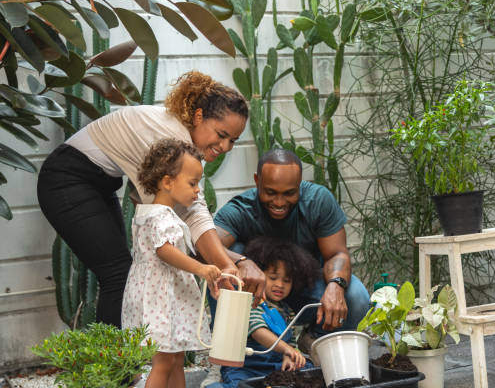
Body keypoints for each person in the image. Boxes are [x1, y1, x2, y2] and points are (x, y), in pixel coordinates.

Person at [37, 71, 262, 328]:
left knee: (123, 273)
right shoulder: (168, 136)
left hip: (98, 183)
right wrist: (230, 263)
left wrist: (226, 263)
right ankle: (113, 364)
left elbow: (183, 217)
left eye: (232, 141)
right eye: (221, 135)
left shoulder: (182, 141)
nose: (225, 147)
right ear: (199, 116)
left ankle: (122, 362)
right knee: (118, 275)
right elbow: (189, 214)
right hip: (66, 179)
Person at [213, 149, 371, 352]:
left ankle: (315, 341)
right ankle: (226, 350)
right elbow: (204, 245)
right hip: (258, 297)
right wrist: (242, 261)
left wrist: (336, 285)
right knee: (224, 262)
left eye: (289, 193)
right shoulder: (241, 208)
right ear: (257, 181)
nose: (279, 202)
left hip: (307, 290)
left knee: (357, 297)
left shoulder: (318, 200)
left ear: (299, 184)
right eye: (270, 192)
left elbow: (337, 254)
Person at [122, 139, 222, 388]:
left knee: (176, 358)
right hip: (161, 301)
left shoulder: (149, 213)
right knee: (164, 362)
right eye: (192, 183)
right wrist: (200, 268)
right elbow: (163, 251)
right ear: (167, 182)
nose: (197, 190)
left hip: (160, 298)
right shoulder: (161, 217)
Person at [208, 236, 318, 388]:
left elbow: (291, 342)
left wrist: (289, 356)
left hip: (274, 366)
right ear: (259, 276)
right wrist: (287, 349)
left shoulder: (288, 311)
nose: (280, 284)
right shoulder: (251, 302)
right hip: (245, 367)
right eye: (273, 278)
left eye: (287, 281)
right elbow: (257, 331)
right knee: (238, 384)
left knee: (308, 371)